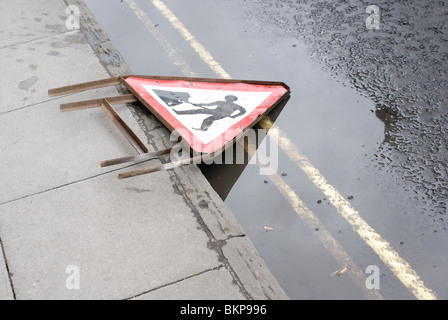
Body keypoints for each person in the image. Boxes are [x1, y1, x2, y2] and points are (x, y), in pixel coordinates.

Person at [173, 95, 246, 131]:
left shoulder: (236, 106)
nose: (229, 99)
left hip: (222, 115)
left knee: (208, 119)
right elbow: (209, 104)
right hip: (215, 111)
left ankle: (203, 129)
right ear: (226, 98)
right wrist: (199, 104)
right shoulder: (221, 102)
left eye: (231, 99)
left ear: (233, 100)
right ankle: (178, 112)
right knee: (199, 110)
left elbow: (243, 111)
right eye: (228, 98)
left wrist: (235, 116)